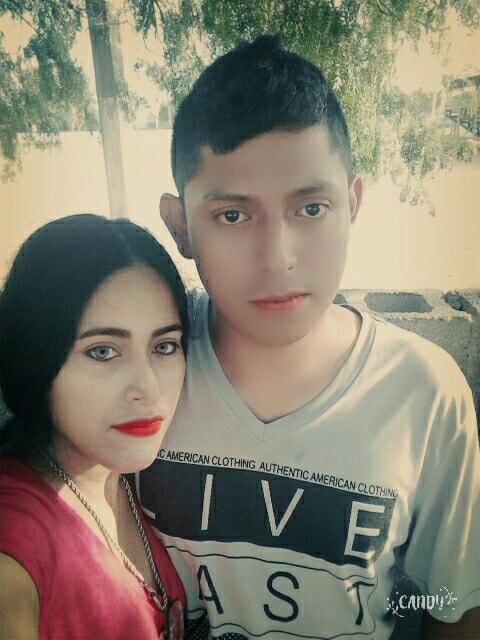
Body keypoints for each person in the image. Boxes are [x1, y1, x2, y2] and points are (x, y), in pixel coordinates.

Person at [136, 35, 480, 639]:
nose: (278, 258)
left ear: (353, 203)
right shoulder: (142, 368)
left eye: (312, 208)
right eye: (233, 215)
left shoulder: (423, 393)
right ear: (179, 225)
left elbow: (452, 602)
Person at [0, 214, 189, 640]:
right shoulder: (17, 532)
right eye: (103, 351)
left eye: (164, 346)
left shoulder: (131, 483)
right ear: (35, 356)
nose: (148, 387)